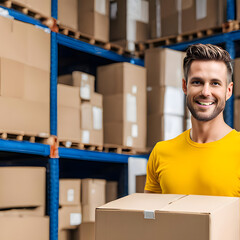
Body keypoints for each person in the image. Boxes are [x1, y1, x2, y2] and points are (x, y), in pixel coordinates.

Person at [144, 43, 240, 197]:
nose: (205, 92)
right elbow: (151, 219)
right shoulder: (161, 153)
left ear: (228, 91)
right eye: (197, 82)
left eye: (215, 83)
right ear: (185, 86)